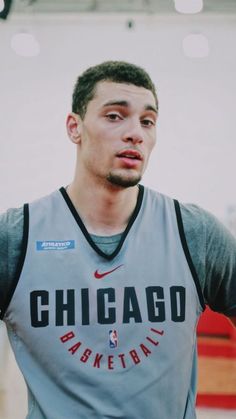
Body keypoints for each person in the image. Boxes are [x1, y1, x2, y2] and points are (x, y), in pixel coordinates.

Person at [0, 60, 235, 419]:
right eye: (114, 116)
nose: (135, 133)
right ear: (74, 127)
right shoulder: (16, 237)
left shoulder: (194, 233)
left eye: (147, 121)